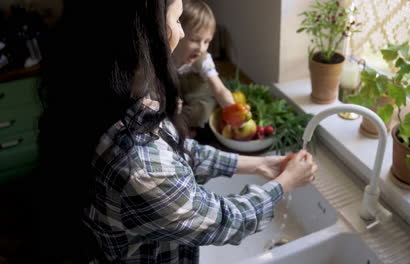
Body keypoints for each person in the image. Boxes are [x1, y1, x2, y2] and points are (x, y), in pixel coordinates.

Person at [37, 0, 317, 263]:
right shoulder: (141, 166)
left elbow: (179, 151)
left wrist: (260, 164)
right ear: (145, 33)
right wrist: (285, 184)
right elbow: (225, 221)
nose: (181, 32)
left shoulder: (110, 98)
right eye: (176, 19)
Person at [172, 0, 235, 138]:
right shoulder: (167, 57)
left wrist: (232, 109)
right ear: (179, 33)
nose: (201, 48)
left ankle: (184, 128)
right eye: (195, 40)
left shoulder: (203, 60)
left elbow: (218, 88)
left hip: (199, 98)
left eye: (207, 41)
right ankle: (179, 125)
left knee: (202, 110)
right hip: (179, 97)